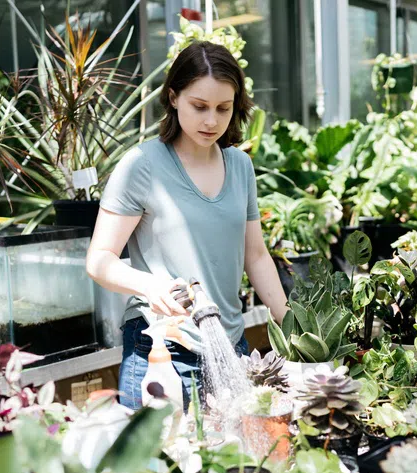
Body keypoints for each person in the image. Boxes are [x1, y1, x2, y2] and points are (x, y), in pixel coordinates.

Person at [86, 41, 289, 410]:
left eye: (223, 109)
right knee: (165, 466)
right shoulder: (141, 165)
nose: (211, 120)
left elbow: (256, 256)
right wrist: (150, 286)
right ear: (174, 97)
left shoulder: (240, 167)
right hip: (163, 350)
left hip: (232, 348)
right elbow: (99, 260)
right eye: (199, 107)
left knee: (237, 465)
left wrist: (292, 329)